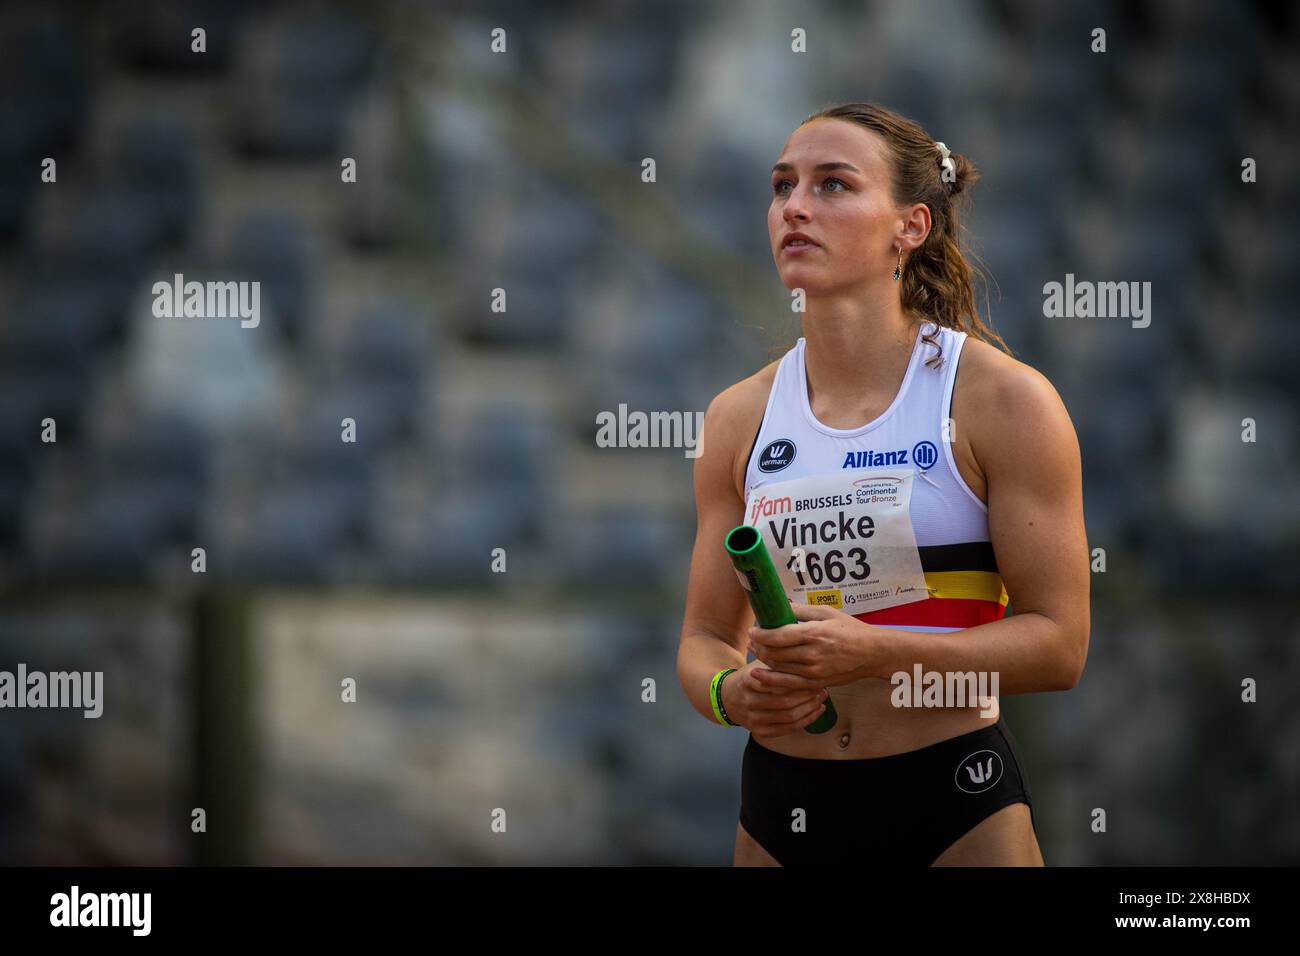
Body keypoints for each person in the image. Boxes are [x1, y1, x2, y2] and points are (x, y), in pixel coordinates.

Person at [676, 102, 1089, 866]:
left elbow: (1060, 647)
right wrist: (730, 694)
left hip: (951, 800)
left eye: (833, 185)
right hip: (780, 803)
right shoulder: (739, 417)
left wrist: (876, 655)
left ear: (912, 226)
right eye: (782, 186)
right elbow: (703, 642)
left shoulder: (1003, 401)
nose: (795, 206)